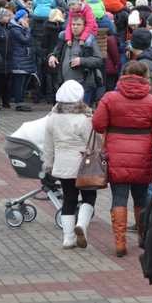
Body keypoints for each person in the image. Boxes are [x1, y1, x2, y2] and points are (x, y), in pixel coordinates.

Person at [93, 60, 152, 256]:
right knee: (141, 199)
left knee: (118, 198)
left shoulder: (109, 98)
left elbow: (98, 125)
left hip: (116, 156)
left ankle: (119, 243)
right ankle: (143, 237)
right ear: (145, 77)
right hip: (143, 156)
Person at [42, 80, 96, 249]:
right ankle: (81, 224)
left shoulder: (52, 119)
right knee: (89, 196)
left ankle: (68, 238)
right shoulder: (84, 119)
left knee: (69, 199)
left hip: (62, 165)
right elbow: (93, 144)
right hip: (83, 166)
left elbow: (48, 146)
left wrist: (48, 166)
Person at [48, 15, 104, 106]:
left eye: (78, 24)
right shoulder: (65, 39)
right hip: (64, 85)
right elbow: (55, 52)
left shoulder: (89, 41)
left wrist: (81, 61)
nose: (75, 27)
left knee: (83, 116)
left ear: (84, 26)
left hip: (84, 86)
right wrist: (52, 56)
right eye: (73, 24)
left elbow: (99, 60)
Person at [8, 9, 35, 112]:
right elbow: (25, 40)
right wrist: (27, 29)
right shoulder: (15, 29)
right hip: (19, 59)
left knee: (23, 82)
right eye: (25, 17)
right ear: (20, 18)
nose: (27, 19)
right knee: (19, 82)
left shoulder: (20, 28)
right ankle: (19, 103)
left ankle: (21, 102)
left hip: (24, 58)